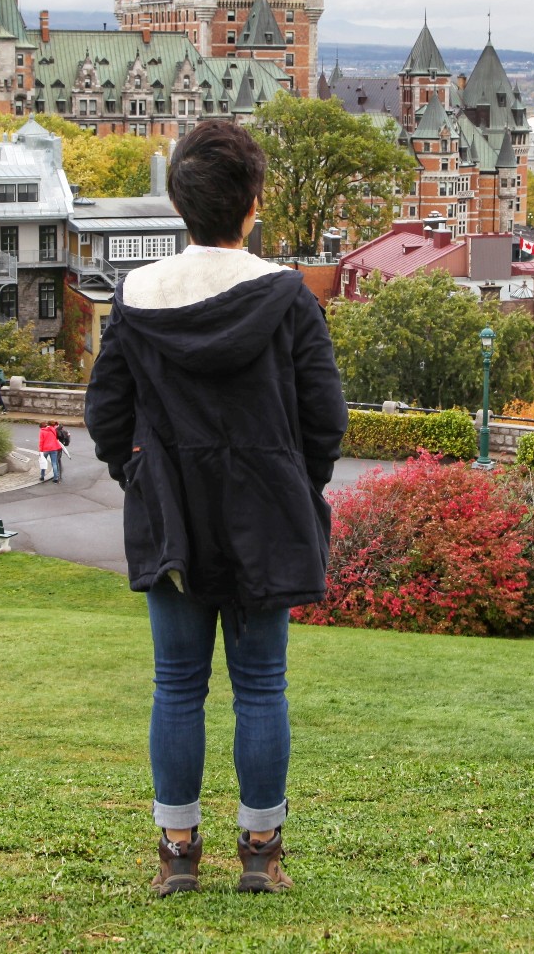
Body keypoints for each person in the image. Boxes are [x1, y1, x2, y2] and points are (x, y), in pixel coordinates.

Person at [85, 119, 346, 897]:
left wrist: (143, 478)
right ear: (253, 204)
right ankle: (261, 852)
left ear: (180, 203)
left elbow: (106, 413)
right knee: (262, 685)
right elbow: (324, 417)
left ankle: (176, 853)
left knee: (177, 685)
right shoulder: (288, 298)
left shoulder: (137, 299)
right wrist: (297, 483)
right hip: (267, 512)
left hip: (173, 518)